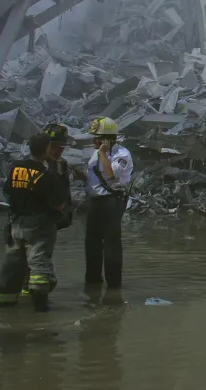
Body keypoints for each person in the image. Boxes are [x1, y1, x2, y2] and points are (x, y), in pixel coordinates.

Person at [0, 132, 69, 312]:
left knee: (12, 264)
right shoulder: (47, 175)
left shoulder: (15, 168)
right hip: (39, 225)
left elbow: (8, 190)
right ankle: (40, 307)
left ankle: (3, 303)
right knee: (39, 263)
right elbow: (60, 203)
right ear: (47, 149)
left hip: (16, 224)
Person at [84, 117, 133, 288]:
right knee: (92, 244)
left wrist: (103, 153)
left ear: (108, 139)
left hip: (112, 201)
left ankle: (114, 286)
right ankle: (93, 282)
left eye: (97, 138)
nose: (93, 141)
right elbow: (95, 175)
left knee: (111, 244)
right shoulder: (96, 153)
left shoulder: (123, 154)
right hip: (95, 201)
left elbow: (112, 174)